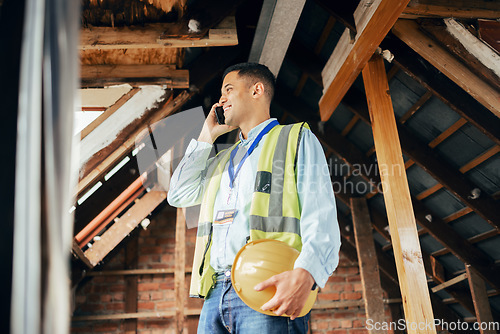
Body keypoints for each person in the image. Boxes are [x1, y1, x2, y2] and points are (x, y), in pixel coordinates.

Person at [167, 62, 340, 333]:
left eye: (229, 89)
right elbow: (178, 194)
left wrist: (307, 275)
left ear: (257, 90)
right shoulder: (223, 160)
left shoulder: (295, 138)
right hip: (215, 295)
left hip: (269, 286)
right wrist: (206, 136)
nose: (221, 99)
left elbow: (321, 216)